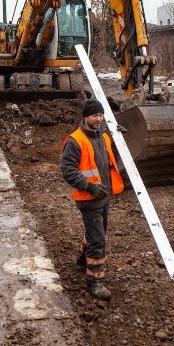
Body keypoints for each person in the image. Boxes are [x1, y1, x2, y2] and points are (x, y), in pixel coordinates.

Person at [60, 98, 124, 300]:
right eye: (95, 115)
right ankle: (95, 281)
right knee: (98, 239)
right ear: (85, 117)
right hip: (89, 198)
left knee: (97, 233)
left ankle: (82, 259)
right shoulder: (75, 141)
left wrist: (118, 137)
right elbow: (68, 171)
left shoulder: (102, 137)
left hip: (103, 196)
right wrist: (90, 187)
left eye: (101, 115)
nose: (99, 119)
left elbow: (106, 158)